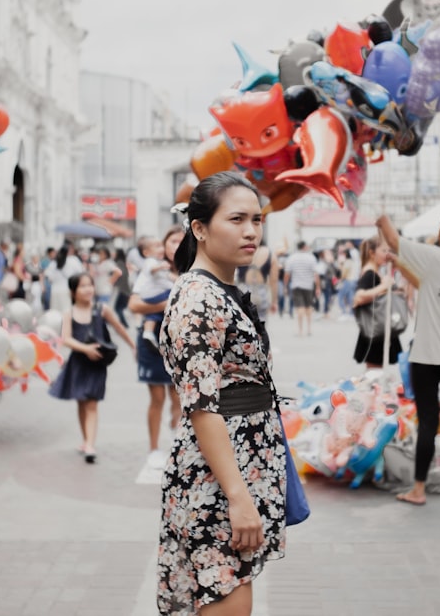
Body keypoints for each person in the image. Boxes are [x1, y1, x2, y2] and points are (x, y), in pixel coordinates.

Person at [158, 171, 285, 615]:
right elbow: (202, 407)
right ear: (199, 228)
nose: (251, 231)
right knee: (227, 602)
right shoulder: (198, 298)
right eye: (236, 219)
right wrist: (237, 496)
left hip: (236, 470)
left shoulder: (221, 290)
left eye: (257, 219)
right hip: (217, 481)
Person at [377, 207, 440, 506]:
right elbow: (427, 284)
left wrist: (383, 219)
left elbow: (395, 240)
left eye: (439, 228)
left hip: (428, 357)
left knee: (427, 421)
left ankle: (419, 490)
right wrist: (399, 264)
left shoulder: (438, 257)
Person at [51, 272, 134, 463]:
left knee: (91, 403)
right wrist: (85, 348)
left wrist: (133, 346)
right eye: (82, 286)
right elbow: (66, 339)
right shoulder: (69, 313)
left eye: (90, 285)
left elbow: (119, 328)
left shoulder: (101, 309)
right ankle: (85, 440)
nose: (88, 289)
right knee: (81, 401)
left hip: (97, 364)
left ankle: (90, 445)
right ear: (73, 292)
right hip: (78, 364)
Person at [128, 226, 184, 468]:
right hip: (152, 342)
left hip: (181, 342)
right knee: (157, 397)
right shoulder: (154, 269)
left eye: (182, 242)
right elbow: (134, 305)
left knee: (178, 397)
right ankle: (153, 449)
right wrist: (167, 303)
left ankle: (178, 437)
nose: (176, 246)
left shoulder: (192, 270)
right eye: (172, 241)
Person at [351, 235, 402, 370]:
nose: (388, 254)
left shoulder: (374, 271)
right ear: (372, 253)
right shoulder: (370, 273)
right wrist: (383, 286)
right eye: (384, 251)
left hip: (375, 328)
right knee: (374, 374)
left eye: (389, 251)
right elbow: (358, 297)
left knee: (376, 374)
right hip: (375, 329)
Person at [132, 237, 176, 350]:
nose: (161, 249)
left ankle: (148, 331)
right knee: (173, 294)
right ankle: (149, 331)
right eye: (157, 246)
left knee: (153, 314)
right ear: (146, 252)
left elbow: (168, 277)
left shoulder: (157, 262)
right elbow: (152, 269)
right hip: (154, 295)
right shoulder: (150, 261)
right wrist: (161, 266)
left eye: (161, 246)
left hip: (151, 296)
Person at [236, 241, 278, 324]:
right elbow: (274, 280)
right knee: (261, 324)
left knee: (244, 324)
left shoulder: (239, 251)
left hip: (243, 290)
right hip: (261, 292)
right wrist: (274, 301)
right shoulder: (270, 254)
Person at [284, 241, 319, 337]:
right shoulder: (311, 258)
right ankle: (309, 329)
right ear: (304, 247)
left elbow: (287, 274)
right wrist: (318, 287)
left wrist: (285, 286)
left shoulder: (292, 258)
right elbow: (316, 274)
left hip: (296, 285)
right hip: (308, 286)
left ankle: (300, 330)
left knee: (299, 307)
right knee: (308, 307)